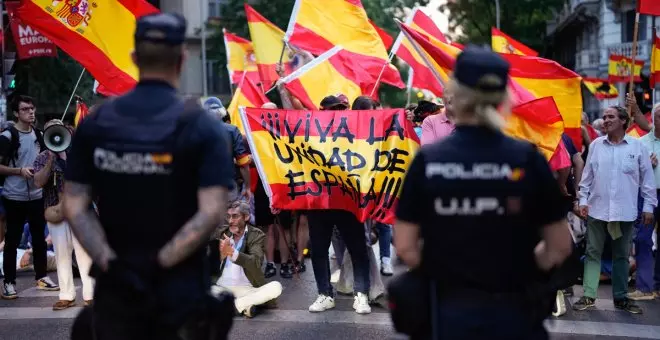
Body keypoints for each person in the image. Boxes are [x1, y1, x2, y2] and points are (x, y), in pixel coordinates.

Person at [62, 13, 235, 339]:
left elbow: (74, 205)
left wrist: (112, 263)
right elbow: (212, 211)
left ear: (134, 59)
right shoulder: (204, 126)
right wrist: (159, 263)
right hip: (180, 295)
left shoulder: (96, 124)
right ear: (182, 60)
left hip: (117, 292)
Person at [393, 46, 572, 339]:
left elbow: (406, 247)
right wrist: (522, 269)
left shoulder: (428, 161)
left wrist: (446, 268)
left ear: (457, 95)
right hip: (515, 314)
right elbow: (559, 247)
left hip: (448, 316)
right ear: (504, 97)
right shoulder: (528, 159)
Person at [575, 105, 657, 314]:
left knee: (621, 256)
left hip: (625, 213)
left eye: (610, 116)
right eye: (604, 117)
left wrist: (648, 207)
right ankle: (588, 295)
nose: (605, 120)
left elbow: (647, 181)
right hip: (598, 210)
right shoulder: (595, 146)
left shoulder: (637, 148)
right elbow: (587, 178)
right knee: (593, 252)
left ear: (623, 121)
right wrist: (583, 200)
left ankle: (620, 297)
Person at [0, 95, 59, 299]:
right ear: (16, 113)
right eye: (25, 109)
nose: (31, 112)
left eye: (32, 108)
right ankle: (8, 282)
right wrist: (18, 171)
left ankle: (41, 277)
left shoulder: (40, 135)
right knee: (12, 239)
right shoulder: (8, 137)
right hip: (14, 195)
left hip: (36, 195)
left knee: (39, 240)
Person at [33, 119, 95, 310]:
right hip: (56, 210)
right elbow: (38, 182)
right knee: (62, 254)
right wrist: (51, 159)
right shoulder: (42, 157)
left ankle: (90, 294)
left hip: (79, 209)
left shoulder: (76, 154)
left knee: (84, 253)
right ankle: (67, 295)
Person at [213, 201, 282, 318]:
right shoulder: (221, 232)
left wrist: (232, 252)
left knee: (275, 287)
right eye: (228, 216)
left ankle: (231, 306)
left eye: (235, 216)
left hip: (247, 289)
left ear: (246, 217)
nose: (230, 221)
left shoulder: (256, 235)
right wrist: (219, 255)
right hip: (221, 288)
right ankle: (245, 306)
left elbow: (255, 262)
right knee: (198, 288)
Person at [636, 103, 660, 300]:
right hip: (647, 196)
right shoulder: (641, 143)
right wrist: (646, 166)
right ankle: (644, 287)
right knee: (643, 239)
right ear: (653, 119)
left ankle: (658, 285)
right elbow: (630, 173)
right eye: (659, 116)